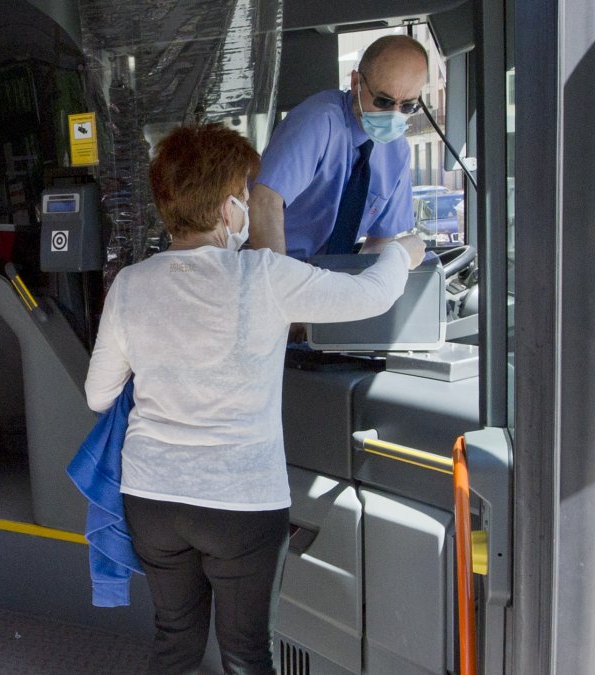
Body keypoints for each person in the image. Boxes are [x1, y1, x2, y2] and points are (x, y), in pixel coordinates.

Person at [84, 123, 425, 674]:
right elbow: (371, 294)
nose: (246, 206)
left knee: (175, 642)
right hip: (240, 503)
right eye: (243, 195)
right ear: (226, 208)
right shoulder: (263, 275)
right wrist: (403, 254)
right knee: (246, 654)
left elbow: (100, 396)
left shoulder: (129, 284)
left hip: (152, 497)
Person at [249, 35, 430, 259]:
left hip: (326, 276)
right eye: (383, 101)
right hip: (273, 265)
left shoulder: (397, 152)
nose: (394, 114)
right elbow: (265, 201)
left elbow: (380, 241)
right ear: (356, 83)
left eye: (408, 106)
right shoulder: (318, 121)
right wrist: (281, 284)